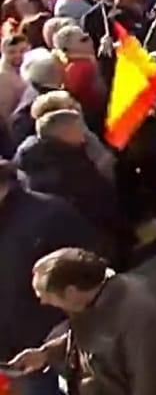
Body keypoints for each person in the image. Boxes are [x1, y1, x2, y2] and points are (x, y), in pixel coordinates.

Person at [7, 247, 156, 395]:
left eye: (48, 296)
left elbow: (154, 382)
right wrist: (47, 354)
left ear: (71, 292)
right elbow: (87, 339)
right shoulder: (91, 303)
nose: (44, 302)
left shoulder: (142, 317)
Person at [0, 159, 100, 395]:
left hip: (61, 341)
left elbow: (91, 269)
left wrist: (69, 326)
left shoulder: (49, 216)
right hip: (20, 354)